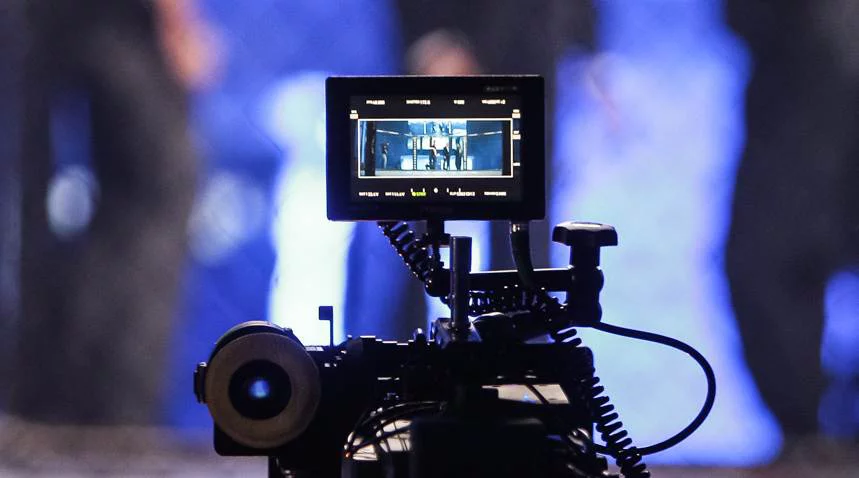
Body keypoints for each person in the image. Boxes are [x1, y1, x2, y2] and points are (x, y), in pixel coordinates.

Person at [9, 0, 209, 429]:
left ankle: (39, 402)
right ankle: (110, 409)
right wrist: (175, 20)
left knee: (20, 187)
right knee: (154, 189)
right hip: (120, 18)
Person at [725, 0, 859, 460]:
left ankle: (809, 435)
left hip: (813, 64)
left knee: (769, 259)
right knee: (769, 261)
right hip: (803, 65)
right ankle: (808, 436)